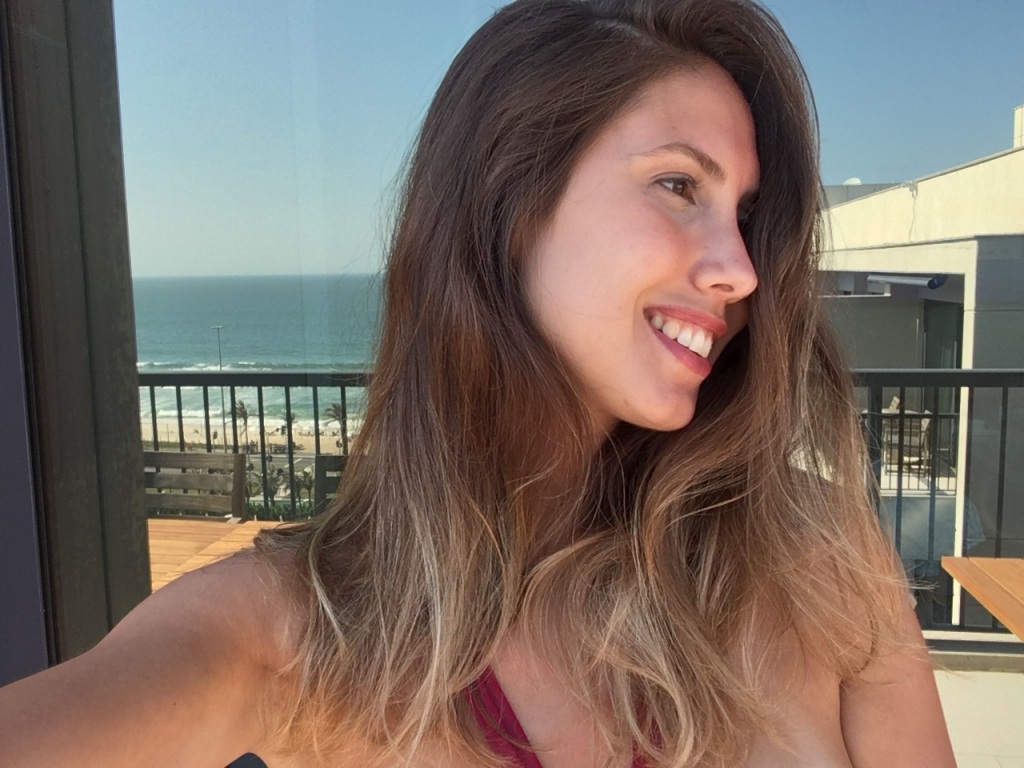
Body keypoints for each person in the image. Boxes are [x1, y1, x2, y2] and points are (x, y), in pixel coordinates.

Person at [0, 0, 956, 766]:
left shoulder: (815, 555)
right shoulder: (303, 630)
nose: (741, 271)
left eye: (745, 217)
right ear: (510, 200)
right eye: (678, 186)